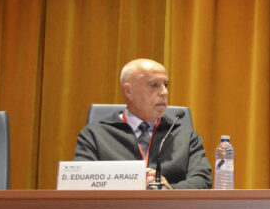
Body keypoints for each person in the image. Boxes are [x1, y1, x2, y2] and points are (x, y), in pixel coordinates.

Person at [74, 58, 212, 189]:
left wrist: (167, 190)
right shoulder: (95, 135)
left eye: (166, 85)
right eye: (154, 85)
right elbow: (80, 184)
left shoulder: (185, 137)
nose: (164, 92)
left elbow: (202, 180)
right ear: (129, 91)